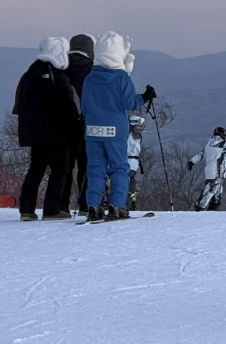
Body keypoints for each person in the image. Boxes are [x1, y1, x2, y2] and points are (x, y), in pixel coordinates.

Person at [81, 31, 155, 222]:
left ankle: (93, 206)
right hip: (115, 130)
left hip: (92, 130)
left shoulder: (89, 78)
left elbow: (84, 107)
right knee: (118, 168)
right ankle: (117, 206)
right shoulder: (121, 78)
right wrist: (146, 96)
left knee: (95, 169)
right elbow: (130, 103)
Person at [15, 37, 79, 221]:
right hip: (57, 133)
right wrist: (75, 124)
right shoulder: (57, 76)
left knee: (35, 169)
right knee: (59, 169)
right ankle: (52, 209)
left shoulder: (30, 73)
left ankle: (26, 209)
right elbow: (67, 103)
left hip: (35, 133)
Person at [62, 33, 94, 214]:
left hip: (63, 125)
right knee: (86, 165)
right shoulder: (92, 69)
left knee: (64, 167)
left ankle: (61, 205)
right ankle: (84, 204)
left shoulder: (60, 68)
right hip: (87, 124)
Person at [126, 115, 144, 210]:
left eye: (141, 126)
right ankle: (125, 204)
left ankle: (132, 202)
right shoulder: (127, 136)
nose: (140, 129)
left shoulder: (137, 137)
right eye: (138, 126)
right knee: (127, 182)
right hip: (127, 163)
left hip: (134, 164)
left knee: (132, 183)